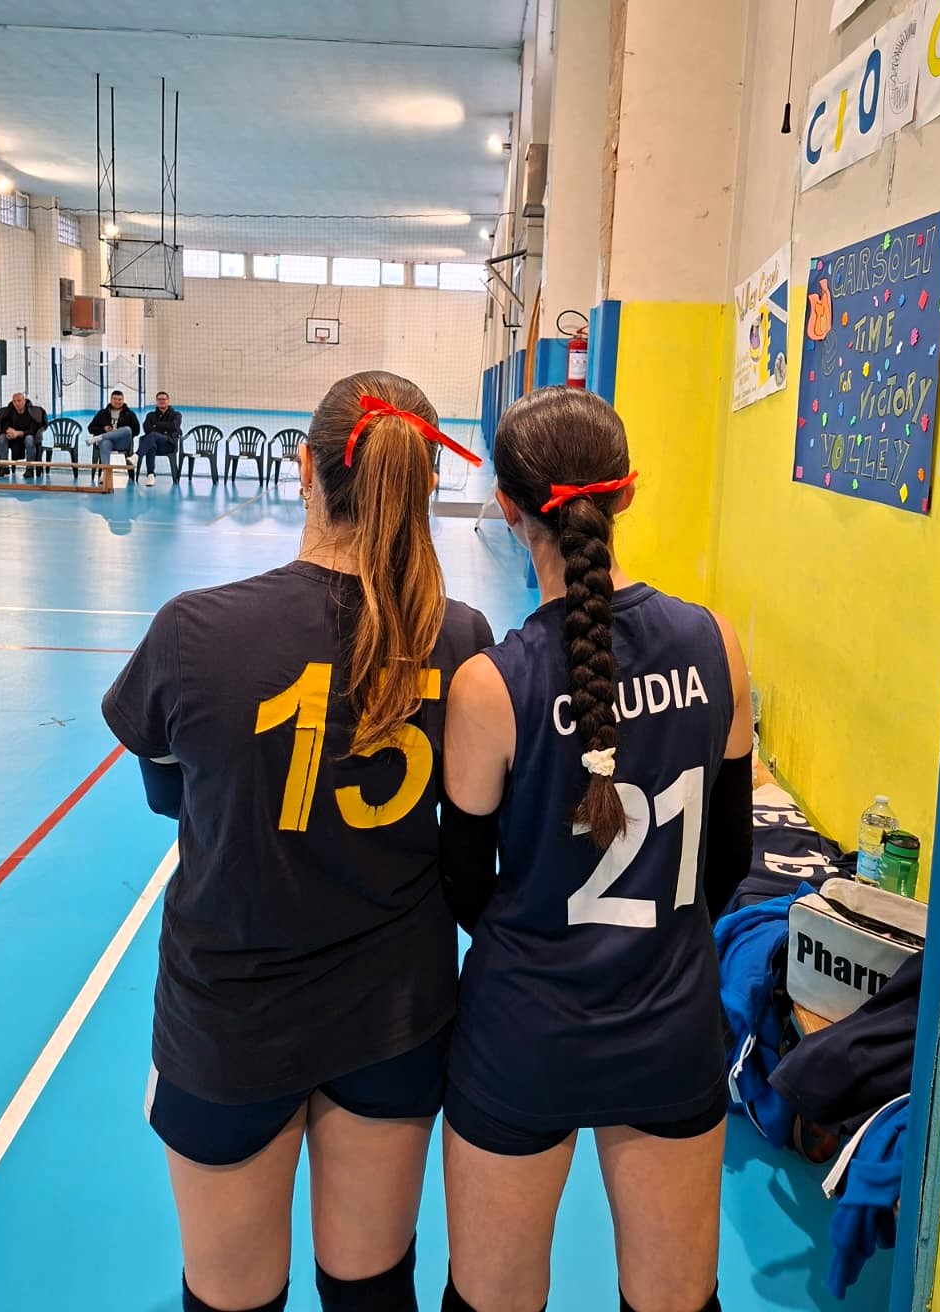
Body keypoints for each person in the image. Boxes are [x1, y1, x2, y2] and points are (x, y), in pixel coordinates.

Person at [101, 372, 491, 1312]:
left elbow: (172, 797)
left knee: (231, 1301)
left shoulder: (196, 631)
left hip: (230, 1020)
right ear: (423, 484)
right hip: (394, 1016)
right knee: (371, 1294)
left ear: (306, 470)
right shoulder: (463, 639)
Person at [438, 387, 754, 1312]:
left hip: (523, 1035)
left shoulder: (490, 686)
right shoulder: (717, 645)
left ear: (507, 505)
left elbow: (465, 888)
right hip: (670, 1027)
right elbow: (725, 862)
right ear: (629, 494)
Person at [0, 392, 48, 479]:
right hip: (13, 439)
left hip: (26, 437)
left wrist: (18, 433)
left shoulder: (33, 413)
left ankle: (29, 468)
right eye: (14, 401)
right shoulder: (9, 412)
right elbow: (3, 425)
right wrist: (9, 432)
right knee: (2, 438)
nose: (17, 403)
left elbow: (33, 430)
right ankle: (4, 467)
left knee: (29, 439)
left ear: (25, 401)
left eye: (19, 401)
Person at [88, 389, 141, 474]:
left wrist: (120, 433)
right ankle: (106, 473)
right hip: (108, 442)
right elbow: (90, 428)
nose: (117, 401)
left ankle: (101, 437)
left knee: (127, 429)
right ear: (111, 400)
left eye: (120, 399)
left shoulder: (129, 414)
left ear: (123, 401)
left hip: (122, 443)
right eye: (115, 399)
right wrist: (104, 429)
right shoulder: (102, 413)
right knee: (104, 442)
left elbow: (137, 431)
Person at [138, 391, 183, 484]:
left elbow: (174, 426)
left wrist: (156, 426)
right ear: (156, 401)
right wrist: (165, 428)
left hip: (168, 445)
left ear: (168, 401)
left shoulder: (176, 415)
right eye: (159, 399)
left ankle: (137, 455)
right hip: (154, 445)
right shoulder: (150, 415)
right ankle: (150, 475)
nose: (162, 401)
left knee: (153, 436)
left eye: (164, 399)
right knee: (151, 445)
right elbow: (147, 429)